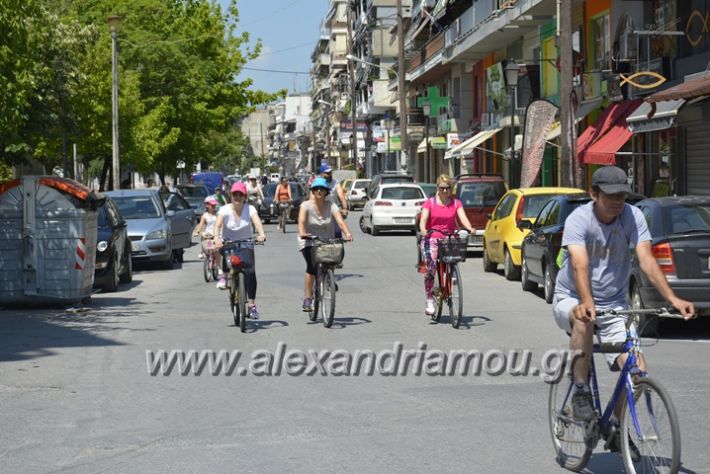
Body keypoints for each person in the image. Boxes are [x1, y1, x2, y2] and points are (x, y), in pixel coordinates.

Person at [552, 166, 694, 430]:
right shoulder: (578, 219)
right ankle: (581, 390)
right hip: (572, 296)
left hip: (615, 303)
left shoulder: (633, 216)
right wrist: (586, 301)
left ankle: (615, 425)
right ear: (593, 194)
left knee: (638, 370)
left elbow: (647, 260)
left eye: (622, 196)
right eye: (611, 196)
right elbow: (579, 264)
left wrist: (673, 299)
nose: (619, 202)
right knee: (583, 318)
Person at [418, 174, 475, 316]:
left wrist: (470, 228)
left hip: (449, 238)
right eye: (442, 188)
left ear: (451, 189)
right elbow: (423, 219)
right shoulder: (429, 203)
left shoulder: (456, 203)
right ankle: (430, 299)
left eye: (447, 188)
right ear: (437, 188)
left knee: (454, 257)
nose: (444, 191)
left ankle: (452, 275)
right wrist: (424, 230)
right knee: (430, 267)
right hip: (431, 237)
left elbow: (463, 218)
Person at [298, 177, 353, 312]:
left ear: (326, 191)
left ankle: (328, 276)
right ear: (312, 191)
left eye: (322, 189)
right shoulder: (305, 205)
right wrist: (302, 233)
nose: (319, 191)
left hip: (327, 239)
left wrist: (347, 233)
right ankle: (307, 298)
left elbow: (340, 222)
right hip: (309, 239)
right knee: (311, 267)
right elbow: (301, 221)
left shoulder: (331, 205)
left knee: (334, 256)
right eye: (316, 189)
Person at [213, 182, 267, 319]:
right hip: (228, 243)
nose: (237, 197)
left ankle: (252, 305)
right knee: (226, 258)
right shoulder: (224, 210)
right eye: (234, 194)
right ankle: (225, 276)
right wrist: (217, 238)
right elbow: (217, 225)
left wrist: (261, 234)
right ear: (231, 195)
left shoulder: (250, 209)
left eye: (240, 195)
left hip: (245, 243)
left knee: (250, 272)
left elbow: (257, 222)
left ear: (245, 197)